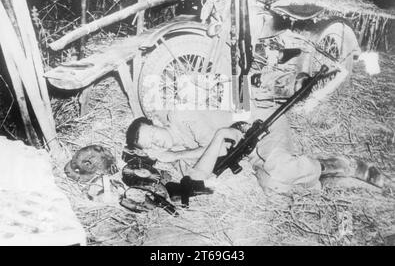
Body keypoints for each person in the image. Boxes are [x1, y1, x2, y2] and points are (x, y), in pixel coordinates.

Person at [125, 104, 385, 193]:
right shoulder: (176, 150)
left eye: (152, 135)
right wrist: (169, 161)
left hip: (263, 127)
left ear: (156, 122)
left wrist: (174, 156)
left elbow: (220, 149)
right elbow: (200, 178)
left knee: (279, 169)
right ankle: (327, 180)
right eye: (150, 145)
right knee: (274, 187)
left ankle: (342, 164)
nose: (156, 143)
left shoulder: (183, 116)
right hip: (248, 151)